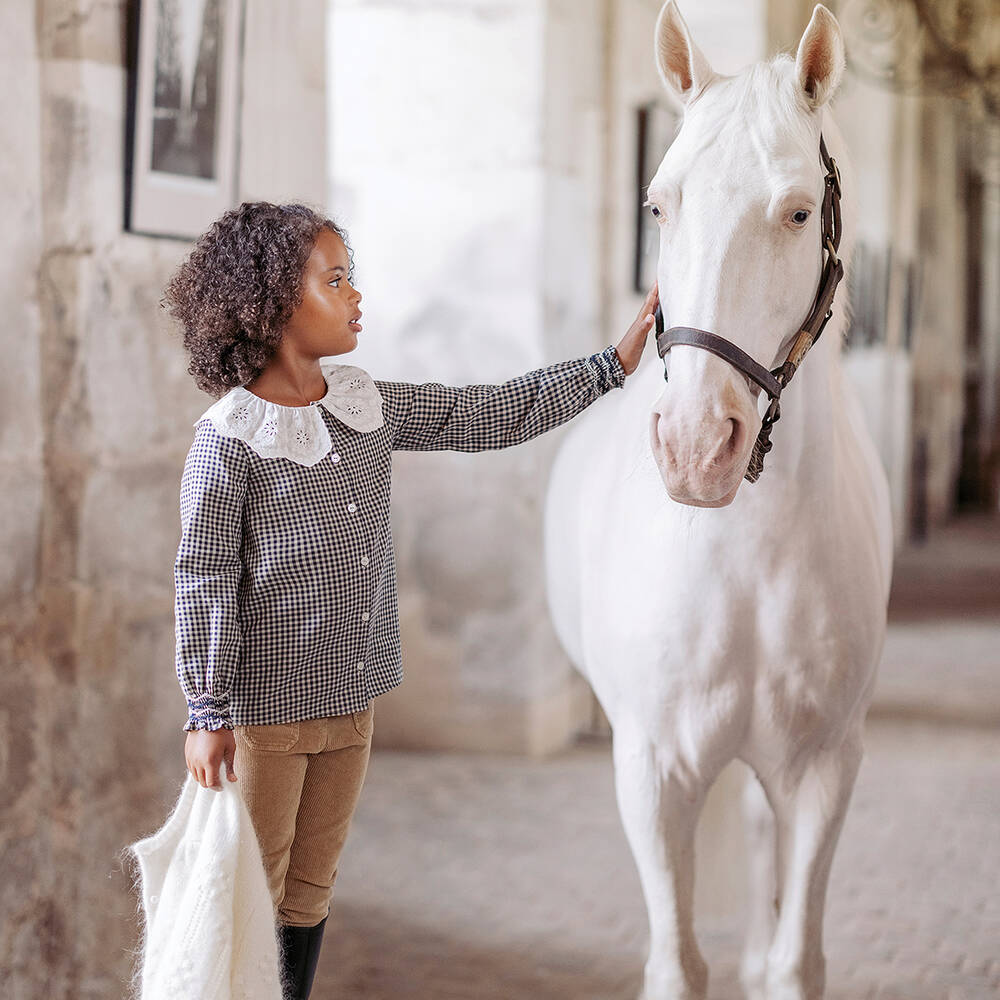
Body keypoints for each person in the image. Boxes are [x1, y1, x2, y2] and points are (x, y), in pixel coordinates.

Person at [166, 201, 657, 999]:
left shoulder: (364, 405)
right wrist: (207, 708)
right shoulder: (228, 441)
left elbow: (484, 414)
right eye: (336, 280)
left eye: (351, 277)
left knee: (307, 898)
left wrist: (610, 367)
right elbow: (205, 577)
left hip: (351, 707)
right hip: (264, 718)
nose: (357, 295)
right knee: (245, 900)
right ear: (276, 303)